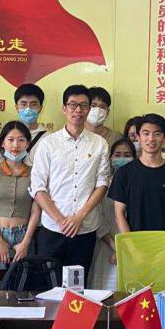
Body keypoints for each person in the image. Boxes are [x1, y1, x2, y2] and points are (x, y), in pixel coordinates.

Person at [30, 85, 111, 279]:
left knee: (78, 287)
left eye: (83, 105)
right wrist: (61, 220)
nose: (78, 110)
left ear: (89, 109)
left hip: (85, 229)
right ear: (64, 108)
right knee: (49, 285)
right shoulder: (48, 143)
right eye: (73, 105)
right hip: (52, 229)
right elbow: (38, 187)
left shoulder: (99, 143)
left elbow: (102, 184)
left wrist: (79, 217)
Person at [0, 120, 41, 290]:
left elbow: (36, 211)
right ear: (2, 143)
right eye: (10, 139)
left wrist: (25, 242)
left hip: (23, 236)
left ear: (28, 144)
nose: (15, 145)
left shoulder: (35, 172)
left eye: (21, 140)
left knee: (23, 293)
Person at [109, 113, 165, 233]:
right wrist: (130, 242)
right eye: (146, 133)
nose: (151, 139)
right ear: (138, 137)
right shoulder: (124, 173)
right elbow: (119, 214)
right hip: (134, 240)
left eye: (157, 134)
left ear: (164, 137)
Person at [89, 139, 136, 291]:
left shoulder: (139, 183)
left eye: (127, 155)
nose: (122, 158)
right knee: (105, 293)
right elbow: (98, 216)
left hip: (135, 246)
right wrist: (116, 247)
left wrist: (125, 247)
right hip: (106, 245)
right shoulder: (102, 185)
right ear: (110, 158)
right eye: (118, 155)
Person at [0, 84, 49, 165]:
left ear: (40, 108)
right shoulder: (4, 138)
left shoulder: (48, 139)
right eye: (23, 104)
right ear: (17, 107)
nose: (28, 109)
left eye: (33, 104)